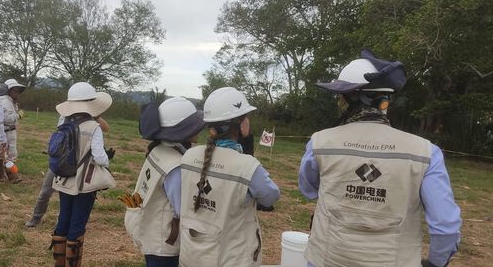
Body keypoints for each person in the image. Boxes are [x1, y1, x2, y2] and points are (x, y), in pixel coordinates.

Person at [298, 49, 461, 267]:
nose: (339, 103)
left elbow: (309, 189)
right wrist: (436, 262)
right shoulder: (426, 153)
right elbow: (445, 225)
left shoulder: (319, 142)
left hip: (326, 259)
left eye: (340, 98)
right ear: (384, 102)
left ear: (351, 98)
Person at [178, 87, 280, 267]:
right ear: (241, 124)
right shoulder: (247, 166)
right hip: (231, 259)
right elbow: (271, 196)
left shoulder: (188, 156)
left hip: (192, 254)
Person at [128, 97, 205, 267]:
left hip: (152, 233)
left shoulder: (159, 149)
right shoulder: (176, 165)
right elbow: (181, 209)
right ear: (182, 130)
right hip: (164, 243)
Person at [50, 82, 112, 267]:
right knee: (77, 223)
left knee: (63, 219)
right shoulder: (94, 127)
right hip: (85, 181)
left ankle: (59, 263)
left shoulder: (63, 121)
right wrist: (108, 162)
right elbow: (99, 157)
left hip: (63, 177)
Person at [24, 117, 110, 228]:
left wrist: (96, 116)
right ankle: (36, 217)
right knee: (45, 192)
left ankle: (62, 224)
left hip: (80, 166)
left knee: (69, 196)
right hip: (61, 162)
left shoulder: (92, 121)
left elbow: (106, 128)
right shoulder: (64, 117)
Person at [0, 79, 26, 183]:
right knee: (10, 154)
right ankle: (11, 177)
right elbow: (6, 119)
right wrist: (18, 115)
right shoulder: (6, 101)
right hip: (7, 131)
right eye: (15, 90)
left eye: (18, 91)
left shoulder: (7, 101)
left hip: (6, 131)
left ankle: (1, 176)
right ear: (9, 91)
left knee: (2, 153)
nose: (17, 93)